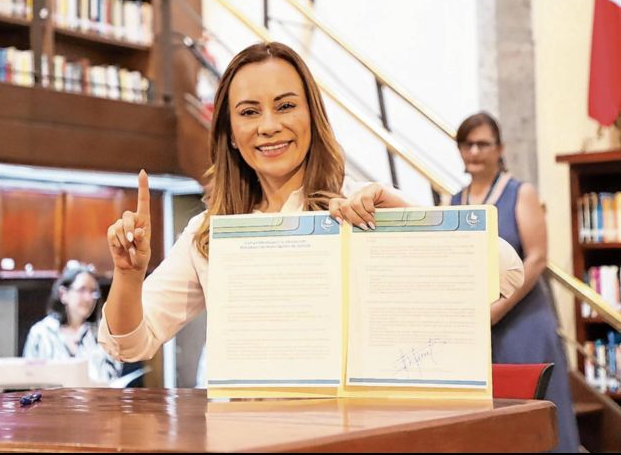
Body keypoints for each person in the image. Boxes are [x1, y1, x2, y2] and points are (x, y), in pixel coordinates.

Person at [98, 42, 523, 372]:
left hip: (347, 432)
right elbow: (129, 345)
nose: (269, 126)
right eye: (249, 112)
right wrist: (129, 276)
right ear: (230, 134)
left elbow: (504, 273)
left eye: (285, 106)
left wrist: (404, 213)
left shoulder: (359, 209)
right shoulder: (209, 233)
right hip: (242, 429)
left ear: (312, 116)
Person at [451, 111, 579, 453]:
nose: (474, 151)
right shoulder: (454, 200)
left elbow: (536, 258)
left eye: (483, 144)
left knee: (537, 413)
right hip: (479, 330)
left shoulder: (520, 193)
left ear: (500, 148)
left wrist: (496, 309)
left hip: (523, 321)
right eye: (467, 144)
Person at [24, 261, 122, 384]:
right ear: (63, 294)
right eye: (82, 290)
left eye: (93, 292)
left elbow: (114, 379)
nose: (88, 298)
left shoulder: (102, 333)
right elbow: (28, 379)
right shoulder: (41, 333)